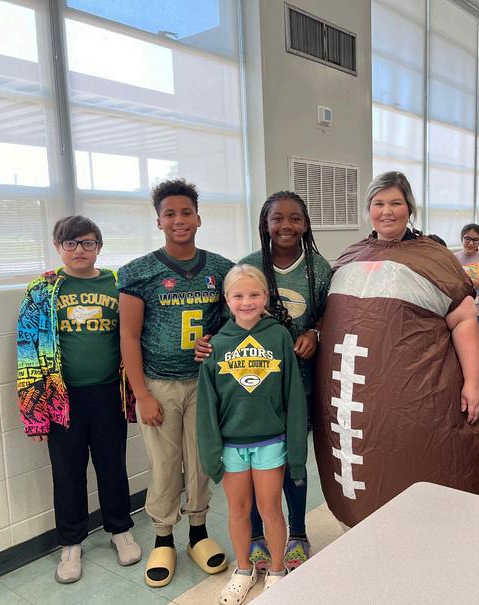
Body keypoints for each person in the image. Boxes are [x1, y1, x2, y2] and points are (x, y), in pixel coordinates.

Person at [312, 171, 479, 527]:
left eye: (395, 203)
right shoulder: (350, 255)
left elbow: (463, 321)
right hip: (350, 398)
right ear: (369, 209)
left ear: (409, 208)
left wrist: (473, 381)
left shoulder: (434, 258)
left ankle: (417, 537)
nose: (387, 211)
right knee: (359, 474)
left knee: (409, 469)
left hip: (414, 397)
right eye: (379, 203)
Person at [195, 191, 331, 572]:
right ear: (264, 223)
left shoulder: (319, 268)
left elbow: (330, 314)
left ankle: (298, 532)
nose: (286, 225)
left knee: (291, 458)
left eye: (295, 218)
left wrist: (316, 334)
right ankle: (255, 536)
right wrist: (206, 344)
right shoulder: (249, 265)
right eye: (277, 218)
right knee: (253, 472)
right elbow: (225, 317)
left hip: (298, 381)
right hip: (250, 384)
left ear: (306, 224)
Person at [118, 179, 234, 587]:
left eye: (186, 212)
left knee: (202, 460)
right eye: (170, 214)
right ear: (159, 222)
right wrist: (141, 394)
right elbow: (129, 335)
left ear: (199, 218)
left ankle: (198, 533)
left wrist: (215, 341)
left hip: (205, 383)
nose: (179, 220)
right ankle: (163, 537)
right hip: (159, 385)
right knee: (165, 465)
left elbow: (233, 323)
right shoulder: (139, 272)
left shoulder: (221, 269)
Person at [17, 216, 140, 583]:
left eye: (87, 243)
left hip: (109, 393)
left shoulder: (118, 283)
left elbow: (136, 336)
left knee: (112, 465)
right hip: (61, 400)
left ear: (99, 246)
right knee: (67, 472)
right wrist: (34, 413)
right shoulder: (42, 289)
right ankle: (71, 543)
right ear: (58, 247)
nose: (79, 250)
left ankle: (120, 528)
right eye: (70, 243)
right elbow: (27, 348)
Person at [196, 264, 308, 603]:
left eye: (254, 294)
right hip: (231, 445)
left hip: (270, 441)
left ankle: (276, 570)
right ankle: (243, 570)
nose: (247, 302)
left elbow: (293, 395)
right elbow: (207, 405)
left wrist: (297, 452)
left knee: (270, 508)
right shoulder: (216, 345)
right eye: (238, 295)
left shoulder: (279, 336)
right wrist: (211, 453)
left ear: (266, 297)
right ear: (227, 299)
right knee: (238, 510)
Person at [456, 223, 479, 358]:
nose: (471, 243)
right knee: (460, 345)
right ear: (462, 238)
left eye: (475, 240)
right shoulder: (454, 258)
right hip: (458, 310)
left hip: (478, 310)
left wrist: (470, 281)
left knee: (477, 344)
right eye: (467, 238)